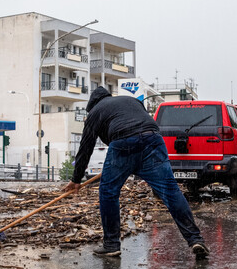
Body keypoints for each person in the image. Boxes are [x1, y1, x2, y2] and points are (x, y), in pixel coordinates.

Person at [64, 87, 209, 259]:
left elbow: (85, 147)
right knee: (170, 191)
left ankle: (111, 245)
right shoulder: (131, 101)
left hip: (123, 142)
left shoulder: (95, 112)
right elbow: (138, 122)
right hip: (153, 139)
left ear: (92, 104)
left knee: (108, 192)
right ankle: (195, 239)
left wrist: (76, 179)